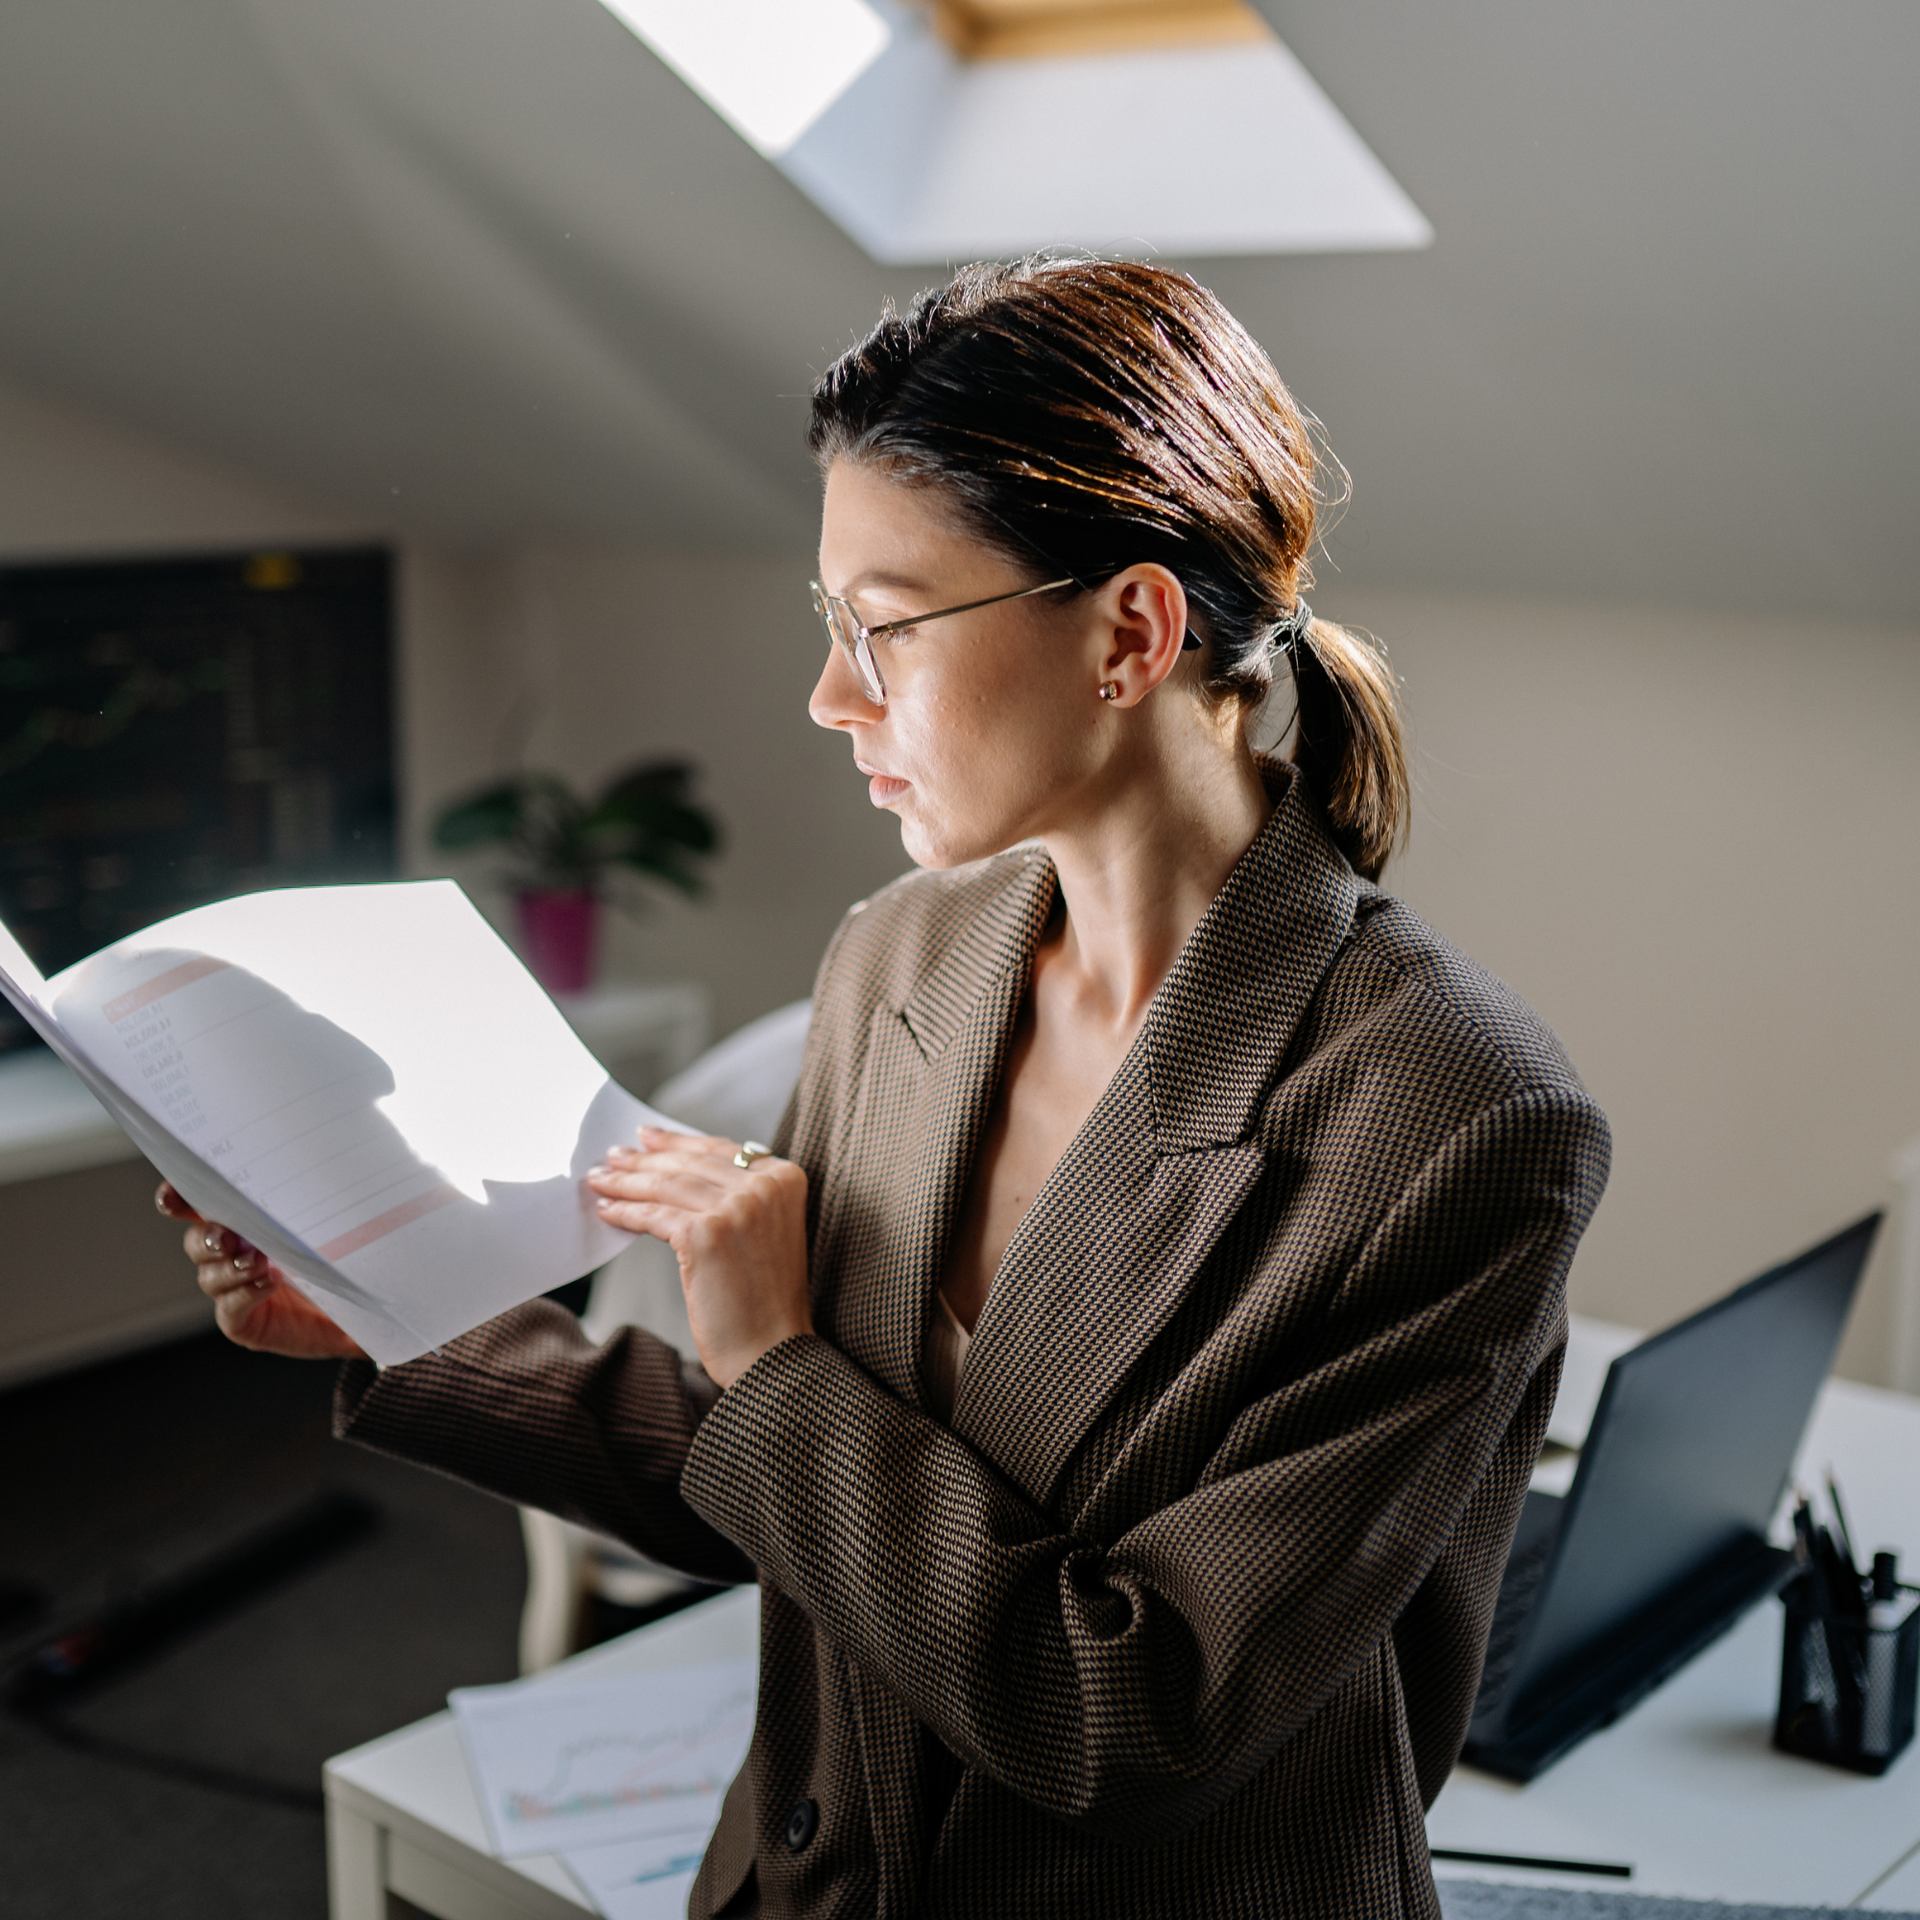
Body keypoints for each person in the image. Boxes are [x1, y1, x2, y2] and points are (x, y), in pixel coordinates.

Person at [168, 256, 1610, 1920]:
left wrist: (776, 1349)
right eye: (828, 624)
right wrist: (390, 1313)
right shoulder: (899, 959)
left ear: (1130, 631)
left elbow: (1127, 1720)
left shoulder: (1460, 1123)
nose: (830, 697)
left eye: (887, 628)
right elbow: (771, 1475)